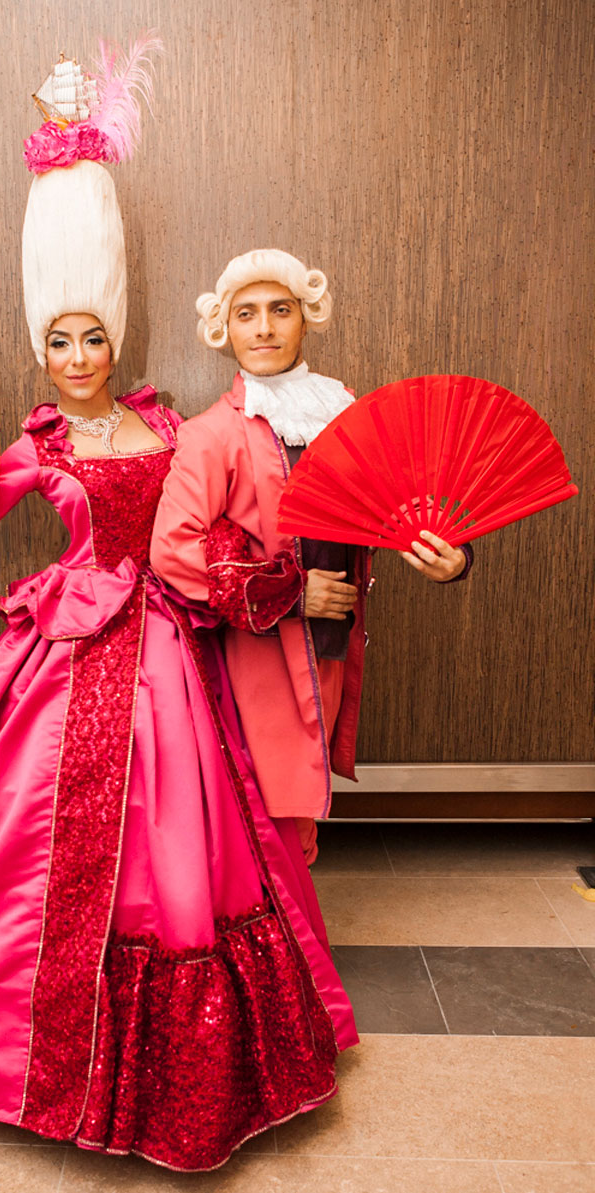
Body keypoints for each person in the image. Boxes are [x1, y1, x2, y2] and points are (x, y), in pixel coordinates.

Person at [0, 82, 357, 1171]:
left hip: (174, 644)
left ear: (113, 339)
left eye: (92, 335)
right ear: (43, 351)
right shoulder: (37, 447)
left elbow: (214, 521)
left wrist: (283, 575)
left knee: (191, 841)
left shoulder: (168, 422)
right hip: (69, 647)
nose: (79, 353)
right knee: (38, 838)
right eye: (60, 339)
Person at [151, 250, 472, 863]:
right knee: (271, 797)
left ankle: (288, 911)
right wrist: (292, 593)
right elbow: (172, 550)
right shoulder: (211, 433)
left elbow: (402, 500)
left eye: (280, 310)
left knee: (300, 792)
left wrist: (453, 556)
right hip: (257, 649)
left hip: (331, 634)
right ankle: (278, 918)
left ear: (305, 318)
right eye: (246, 314)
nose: (264, 328)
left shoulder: (343, 409)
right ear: (225, 328)